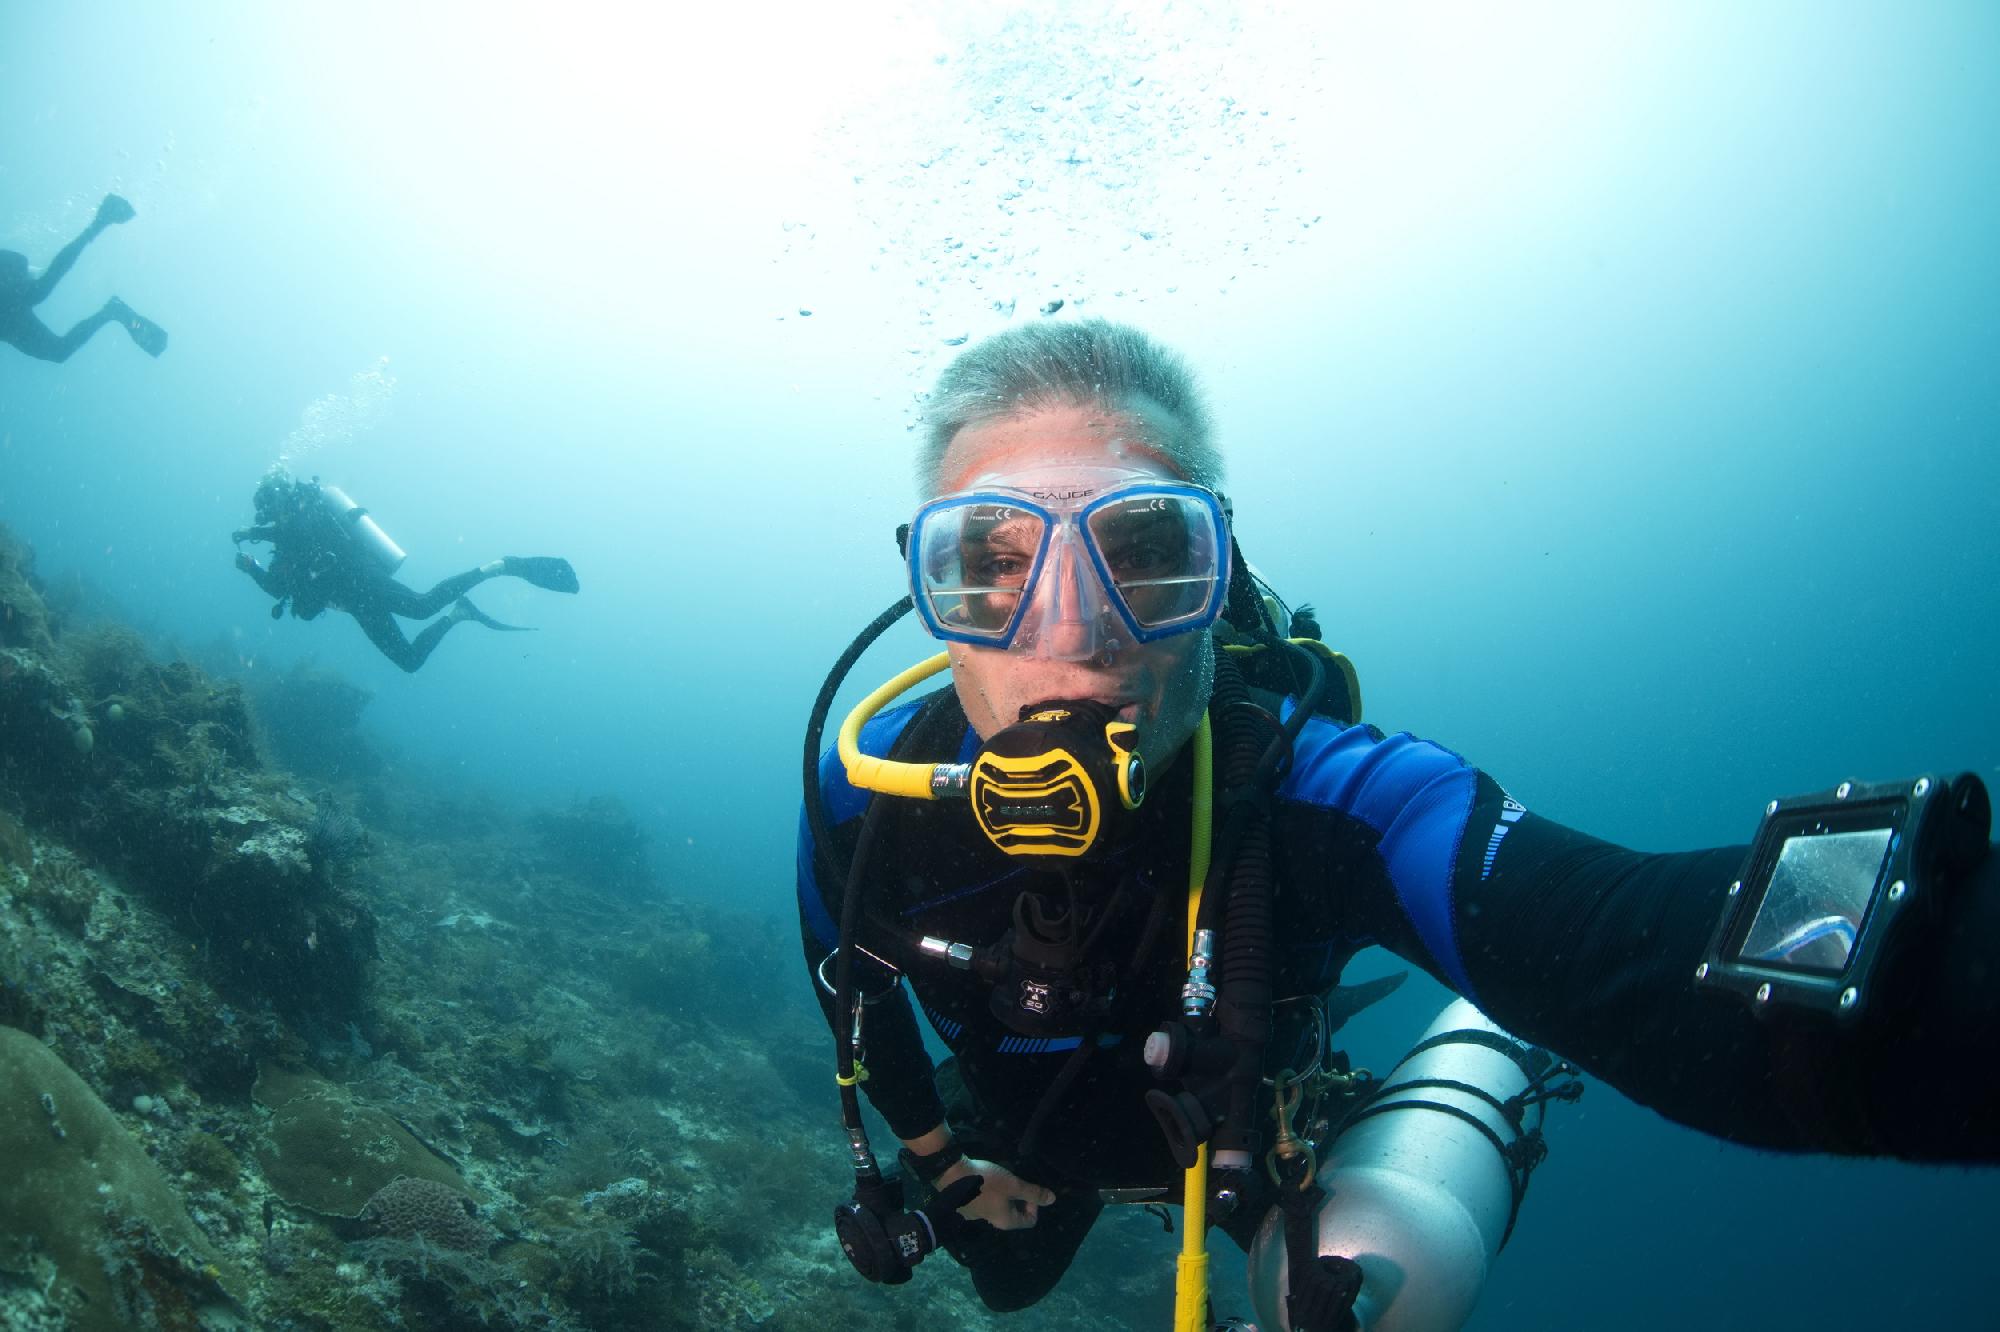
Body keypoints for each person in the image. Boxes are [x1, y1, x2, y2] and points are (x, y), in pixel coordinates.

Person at [797, 320, 1998, 1330]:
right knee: (1003, 1284)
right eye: (987, 565)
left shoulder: (1340, 797)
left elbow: (1644, 950)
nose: (1068, 628)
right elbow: (850, 995)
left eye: (1148, 555)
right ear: (927, 602)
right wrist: (943, 1167)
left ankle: (1477, 1040)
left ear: (1219, 591)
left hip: (1246, 1155)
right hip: (1016, 1145)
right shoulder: (861, 802)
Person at [232, 468, 579, 673]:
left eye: (271, 508)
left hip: (359, 574)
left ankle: (501, 566)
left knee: (421, 606)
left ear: (282, 498)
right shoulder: (285, 543)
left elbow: (300, 530)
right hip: (354, 602)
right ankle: (460, 613)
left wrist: (255, 533)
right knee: (409, 661)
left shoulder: (309, 511)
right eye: (267, 513)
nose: (271, 515)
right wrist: (252, 568)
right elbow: (279, 589)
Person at [1, 193, 169, 362]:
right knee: (58, 352)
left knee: (37, 293)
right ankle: (112, 311)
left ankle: (101, 221)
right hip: (7, 317)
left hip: (8, 277)